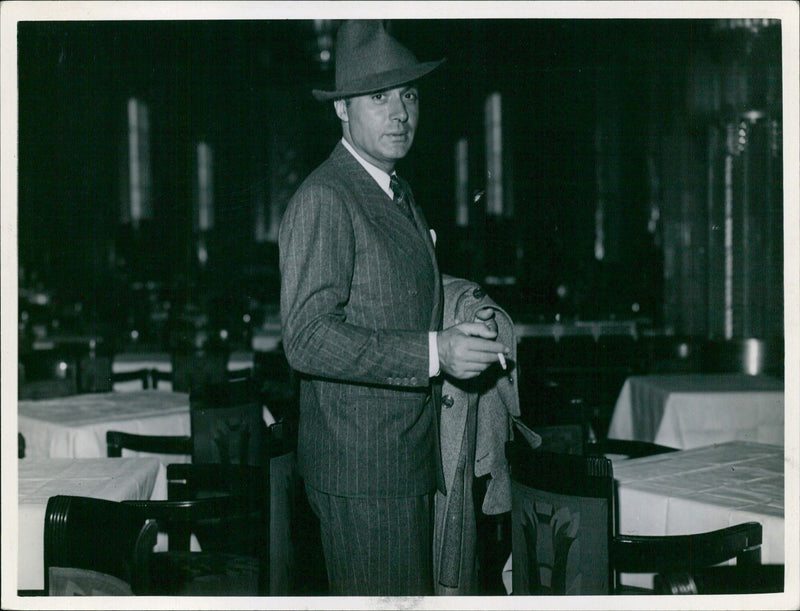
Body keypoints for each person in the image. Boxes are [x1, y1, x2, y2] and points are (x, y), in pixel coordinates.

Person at [279, 20, 509, 596]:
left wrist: (459, 314)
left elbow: (390, 294)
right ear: (341, 111)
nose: (400, 111)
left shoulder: (395, 189)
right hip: (365, 471)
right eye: (378, 97)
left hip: (404, 457)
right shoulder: (326, 197)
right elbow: (306, 336)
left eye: (408, 94)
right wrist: (437, 351)